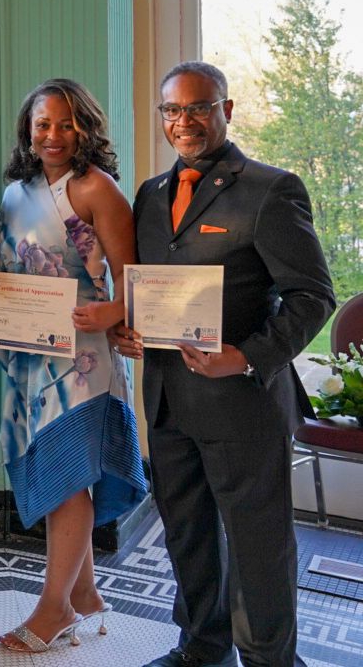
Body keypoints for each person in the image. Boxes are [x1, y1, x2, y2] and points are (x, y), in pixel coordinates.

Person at [114, 61, 334, 667]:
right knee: (186, 533)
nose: (185, 121)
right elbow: (150, 286)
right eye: (173, 110)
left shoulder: (271, 188)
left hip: (243, 402)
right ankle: (201, 649)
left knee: (257, 543)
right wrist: (130, 329)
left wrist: (244, 356)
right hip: (165, 397)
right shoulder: (150, 195)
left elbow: (314, 296)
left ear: (227, 111)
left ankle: (269, 660)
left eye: (200, 107)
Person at [0, 79, 146, 651]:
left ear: (85, 127)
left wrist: (111, 310)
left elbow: (134, 281)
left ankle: (53, 609)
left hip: (83, 360)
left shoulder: (97, 188)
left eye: (66, 124)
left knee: (69, 483)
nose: (54, 134)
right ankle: (85, 594)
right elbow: (9, 273)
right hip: (26, 357)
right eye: (43, 123)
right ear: (28, 129)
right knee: (55, 475)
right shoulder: (16, 191)